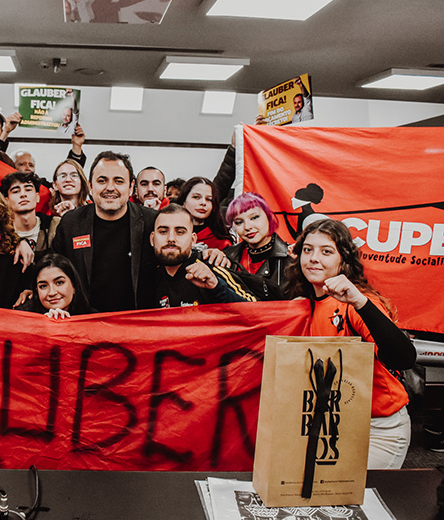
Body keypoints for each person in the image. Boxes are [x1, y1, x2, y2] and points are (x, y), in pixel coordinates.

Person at [284, 218, 416, 469]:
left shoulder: (357, 302)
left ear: (343, 261)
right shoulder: (304, 302)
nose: (313, 258)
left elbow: (404, 358)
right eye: (308, 250)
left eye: (326, 251)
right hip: (333, 425)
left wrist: (360, 303)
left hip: (377, 430)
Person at [53, 151, 228, 313]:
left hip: (140, 324)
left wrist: (207, 254)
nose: (110, 187)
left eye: (119, 181)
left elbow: (176, 251)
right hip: (85, 322)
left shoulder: (152, 221)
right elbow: (54, 268)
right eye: (102, 180)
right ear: (90, 186)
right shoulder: (71, 223)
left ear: (131, 188)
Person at [150, 204, 253, 308]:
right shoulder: (149, 277)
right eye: (163, 232)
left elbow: (255, 309)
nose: (171, 238)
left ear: (193, 240)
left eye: (180, 232)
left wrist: (217, 287)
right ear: (152, 239)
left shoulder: (212, 268)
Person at [223, 192, 290, 300]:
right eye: (239, 222)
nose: (247, 227)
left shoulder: (292, 258)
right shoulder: (227, 256)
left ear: (269, 216)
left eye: (254, 217)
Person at [0, 171, 60, 260]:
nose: (23, 195)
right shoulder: (1, 234)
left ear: (37, 197)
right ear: (6, 201)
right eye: (16, 191)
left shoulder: (56, 225)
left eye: (28, 189)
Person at [21, 253, 92, 319]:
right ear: (37, 290)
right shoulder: (24, 317)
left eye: (59, 283)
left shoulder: (93, 318)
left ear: (74, 286)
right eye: (43, 286)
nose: (52, 293)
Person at [175, 177, 231, 250]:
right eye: (196, 197)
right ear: (183, 201)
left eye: (209, 199)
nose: (203, 203)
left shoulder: (222, 243)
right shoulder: (170, 235)